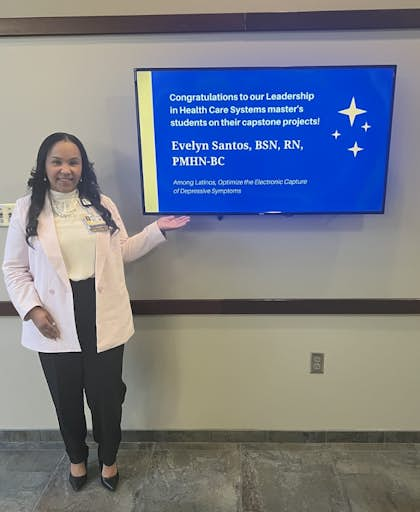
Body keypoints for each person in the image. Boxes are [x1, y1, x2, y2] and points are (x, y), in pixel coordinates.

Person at [2, 132, 190, 492]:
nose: (65, 169)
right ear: (44, 165)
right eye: (57, 161)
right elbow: (14, 268)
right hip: (53, 318)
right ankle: (76, 459)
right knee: (66, 396)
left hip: (101, 310)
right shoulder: (27, 208)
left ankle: (108, 459)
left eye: (73, 162)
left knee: (106, 397)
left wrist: (156, 230)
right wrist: (32, 309)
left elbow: (121, 251)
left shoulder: (100, 204)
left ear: (83, 167)